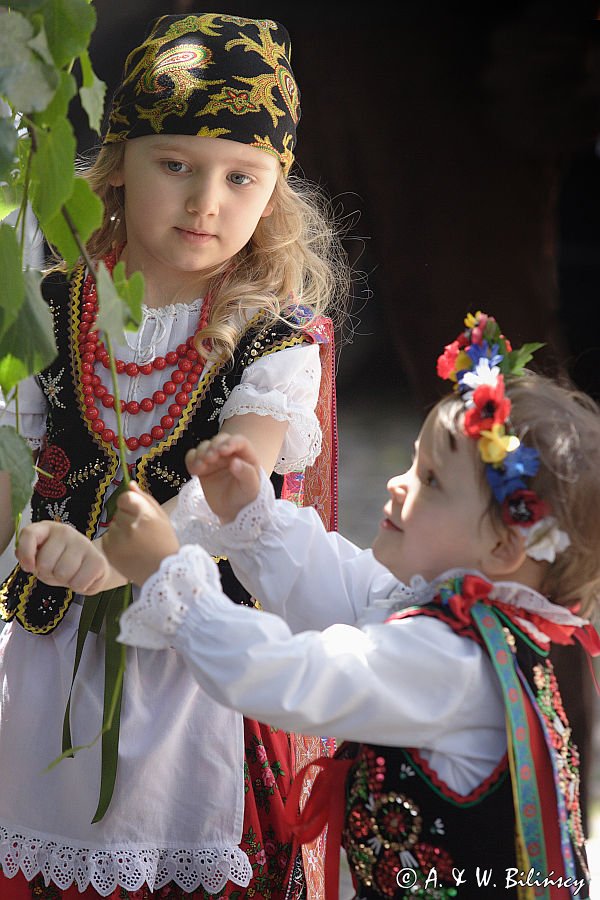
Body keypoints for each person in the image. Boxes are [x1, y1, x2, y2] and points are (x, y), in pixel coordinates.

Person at [30, 311, 600, 898]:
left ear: (506, 545)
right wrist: (250, 515)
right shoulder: (448, 619)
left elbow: (289, 676)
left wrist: (169, 576)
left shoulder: (449, 661)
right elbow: (341, 587)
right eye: (411, 462)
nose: (398, 483)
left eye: (431, 481)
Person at [0, 12, 351, 900]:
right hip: (41, 655)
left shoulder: (277, 342)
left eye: (241, 177)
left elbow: (229, 491)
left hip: (187, 667)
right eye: (177, 166)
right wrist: (26, 529)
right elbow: (18, 451)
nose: (207, 201)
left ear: (276, 192)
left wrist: (114, 561)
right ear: (117, 164)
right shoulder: (48, 301)